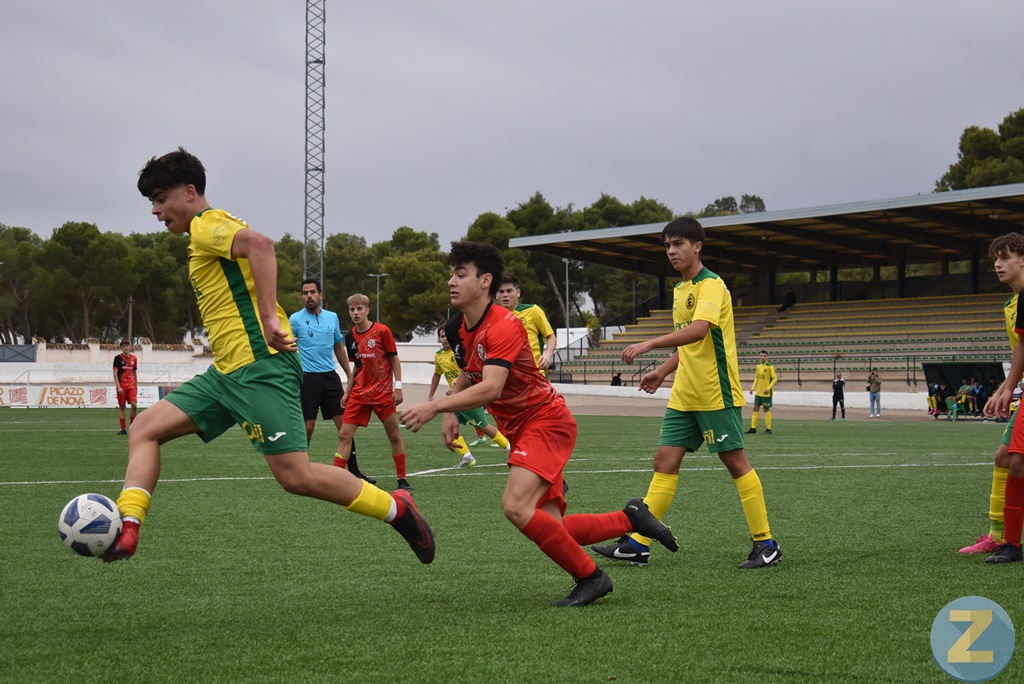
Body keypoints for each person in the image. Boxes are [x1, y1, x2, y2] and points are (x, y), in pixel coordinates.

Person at [101, 147, 434, 565]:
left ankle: (398, 509)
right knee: (144, 429)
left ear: (189, 192)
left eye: (160, 198)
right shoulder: (202, 234)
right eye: (150, 201)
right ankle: (129, 528)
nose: (154, 209)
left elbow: (262, 244)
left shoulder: (207, 225)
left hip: (260, 367)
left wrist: (268, 318)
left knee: (296, 475)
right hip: (226, 373)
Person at [400, 241, 678, 607]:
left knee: (516, 506)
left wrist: (435, 406)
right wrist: (451, 412)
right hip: (522, 429)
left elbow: (492, 386)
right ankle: (630, 517)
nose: (451, 281)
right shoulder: (458, 328)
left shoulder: (506, 325)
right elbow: (469, 373)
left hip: (546, 421)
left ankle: (592, 578)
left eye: (461, 274)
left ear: (485, 281)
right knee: (554, 528)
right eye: (451, 273)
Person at [591, 217, 781, 569]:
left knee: (735, 463)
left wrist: (649, 344)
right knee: (664, 461)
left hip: (714, 391)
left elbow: (698, 331)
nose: (672, 251)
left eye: (678, 244)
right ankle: (638, 542)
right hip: (684, 393)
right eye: (667, 246)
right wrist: (663, 371)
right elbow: (690, 344)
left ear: (697, 246)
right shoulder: (681, 290)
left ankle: (766, 544)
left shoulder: (712, 286)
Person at [960, 232, 1024, 557]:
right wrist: (1004, 389)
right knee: (1005, 458)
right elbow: (1021, 353)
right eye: (995, 259)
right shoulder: (1012, 306)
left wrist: (1008, 388)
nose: (998, 264)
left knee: (1014, 461)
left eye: (1005, 257)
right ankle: (999, 535)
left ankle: (1007, 538)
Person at [288, 278, 374, 484]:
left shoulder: (332, 317)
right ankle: (300, 472)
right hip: (307, 379)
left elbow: (338, 346)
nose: (308, 296)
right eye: (305, 293)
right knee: (308, 426)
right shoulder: (295, 320)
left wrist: (349, 374)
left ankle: (354, 472)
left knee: (345, 427)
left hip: (330, 379)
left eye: (312, 292)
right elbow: (287, 348)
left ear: (320, 295)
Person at [339, 293, 412, 490]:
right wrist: (347, 390)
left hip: (382, 394)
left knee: (394, 435)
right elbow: (357, 366)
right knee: (344, 435)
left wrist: (398, 387)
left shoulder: (382, 332)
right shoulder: (350, 336)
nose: (355, 313)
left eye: (359, 308)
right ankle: (336, 478)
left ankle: (402, 480)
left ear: (367, 310)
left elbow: (394, 359)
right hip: (359, 394)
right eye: (352, 309)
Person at [428, 325, 510, 467]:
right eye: (442, 336)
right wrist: (431, 395)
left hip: (469, 394)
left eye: (447, 335)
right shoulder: (439, 355)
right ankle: (467, 456)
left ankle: (510, 449)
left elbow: (469, 369)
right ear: (439, 339)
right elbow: (436, 375)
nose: (445, 338)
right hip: (456, 397)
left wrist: (457, 383)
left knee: (483, 426)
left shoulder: (459, 351)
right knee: (451, 427)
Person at [496, 274, 557, 376]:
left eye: (509, 291)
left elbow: (551, 336)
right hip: (508, 377)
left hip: (535, 375)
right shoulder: (492, 317)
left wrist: (548, 354)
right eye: (501, 292)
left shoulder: (532, 310)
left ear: (518, 292)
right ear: (496, 295)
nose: (505, 295)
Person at [747, 349, 777, 434]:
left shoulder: (770, 367)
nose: (762, 357)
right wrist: (753, 388)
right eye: (761, 356)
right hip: (759, 393)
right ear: (759, 357)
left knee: (766, 409)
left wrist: (768, 388)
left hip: (766, 393)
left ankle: (768, 429)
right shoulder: (758, 367)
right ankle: (753, 428)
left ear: (767, 357)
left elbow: (775, 379)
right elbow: (757, 378)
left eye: (764, 356)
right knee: (755, 408)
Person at [113, 340, 138, 434]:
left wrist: (136, 385)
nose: (126, 348)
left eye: (127, 346)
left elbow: (134, 372)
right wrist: (118, 386)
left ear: (130, 347)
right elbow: (115, 373)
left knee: (134, 405)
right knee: (122, 406)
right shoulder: (117, 358)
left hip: (131, 386)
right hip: (122, 386)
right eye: (123, 346)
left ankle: (132, 427)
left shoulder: (134, 358)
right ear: (121, 348)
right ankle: (123, 429)